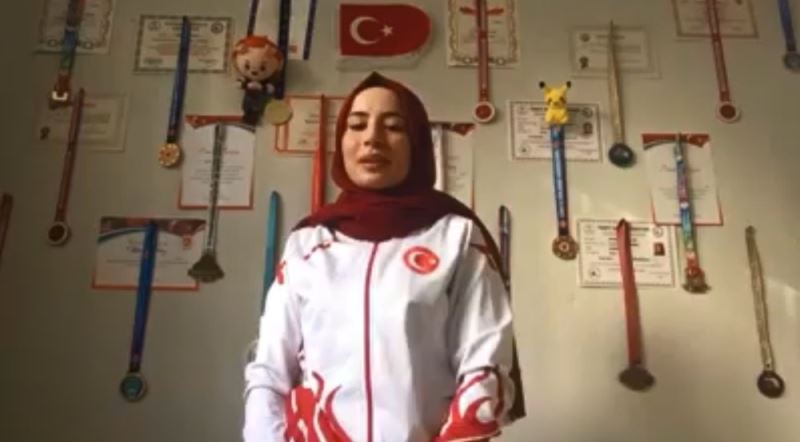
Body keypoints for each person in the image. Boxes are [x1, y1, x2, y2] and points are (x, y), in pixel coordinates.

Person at [243, 72, 525, 441]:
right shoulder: (306, 243)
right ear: (341, 140)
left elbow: (485, 366)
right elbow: (270, 371)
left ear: (417, 144)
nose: (371, 139)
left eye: (393, 127)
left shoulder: (457, 237)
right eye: (357, 125)